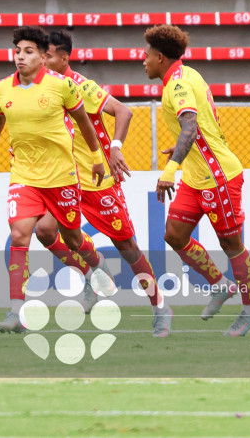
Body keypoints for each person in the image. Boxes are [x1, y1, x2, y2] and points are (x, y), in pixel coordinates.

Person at [34, 29, 173, 338]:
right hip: (65, 181)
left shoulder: (82, 86)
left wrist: (115, 147)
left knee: (127, 246)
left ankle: (160, 306)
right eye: (41, 55)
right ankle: (93, 272)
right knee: (44, 230)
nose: (42, 60)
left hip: (98, 182)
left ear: (64, 58)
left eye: (48, 55)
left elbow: (123, 111)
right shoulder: (44, 90)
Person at [0, 25, 107, 333]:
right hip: (24, 176)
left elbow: (84, 122)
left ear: (43, 57)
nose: (21, 57)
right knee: (20, 235)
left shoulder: (62, 86)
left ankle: (96, 270)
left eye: (28, 51)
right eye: (17, 51)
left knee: (70, 238)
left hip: (61, 178)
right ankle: (17, 313)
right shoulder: (2, 89)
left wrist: (97, 158)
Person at [142, 24, 250, 337]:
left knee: (231, 244)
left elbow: (191, 128)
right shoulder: (186, 75)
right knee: (174, 234)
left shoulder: (178, 85)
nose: (143, 61)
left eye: (147, 55)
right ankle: (220, 285)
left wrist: (169, 170)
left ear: (161, 57)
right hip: (197, 176)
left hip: (217, 176)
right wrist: (180, 149)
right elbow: (198, 127)